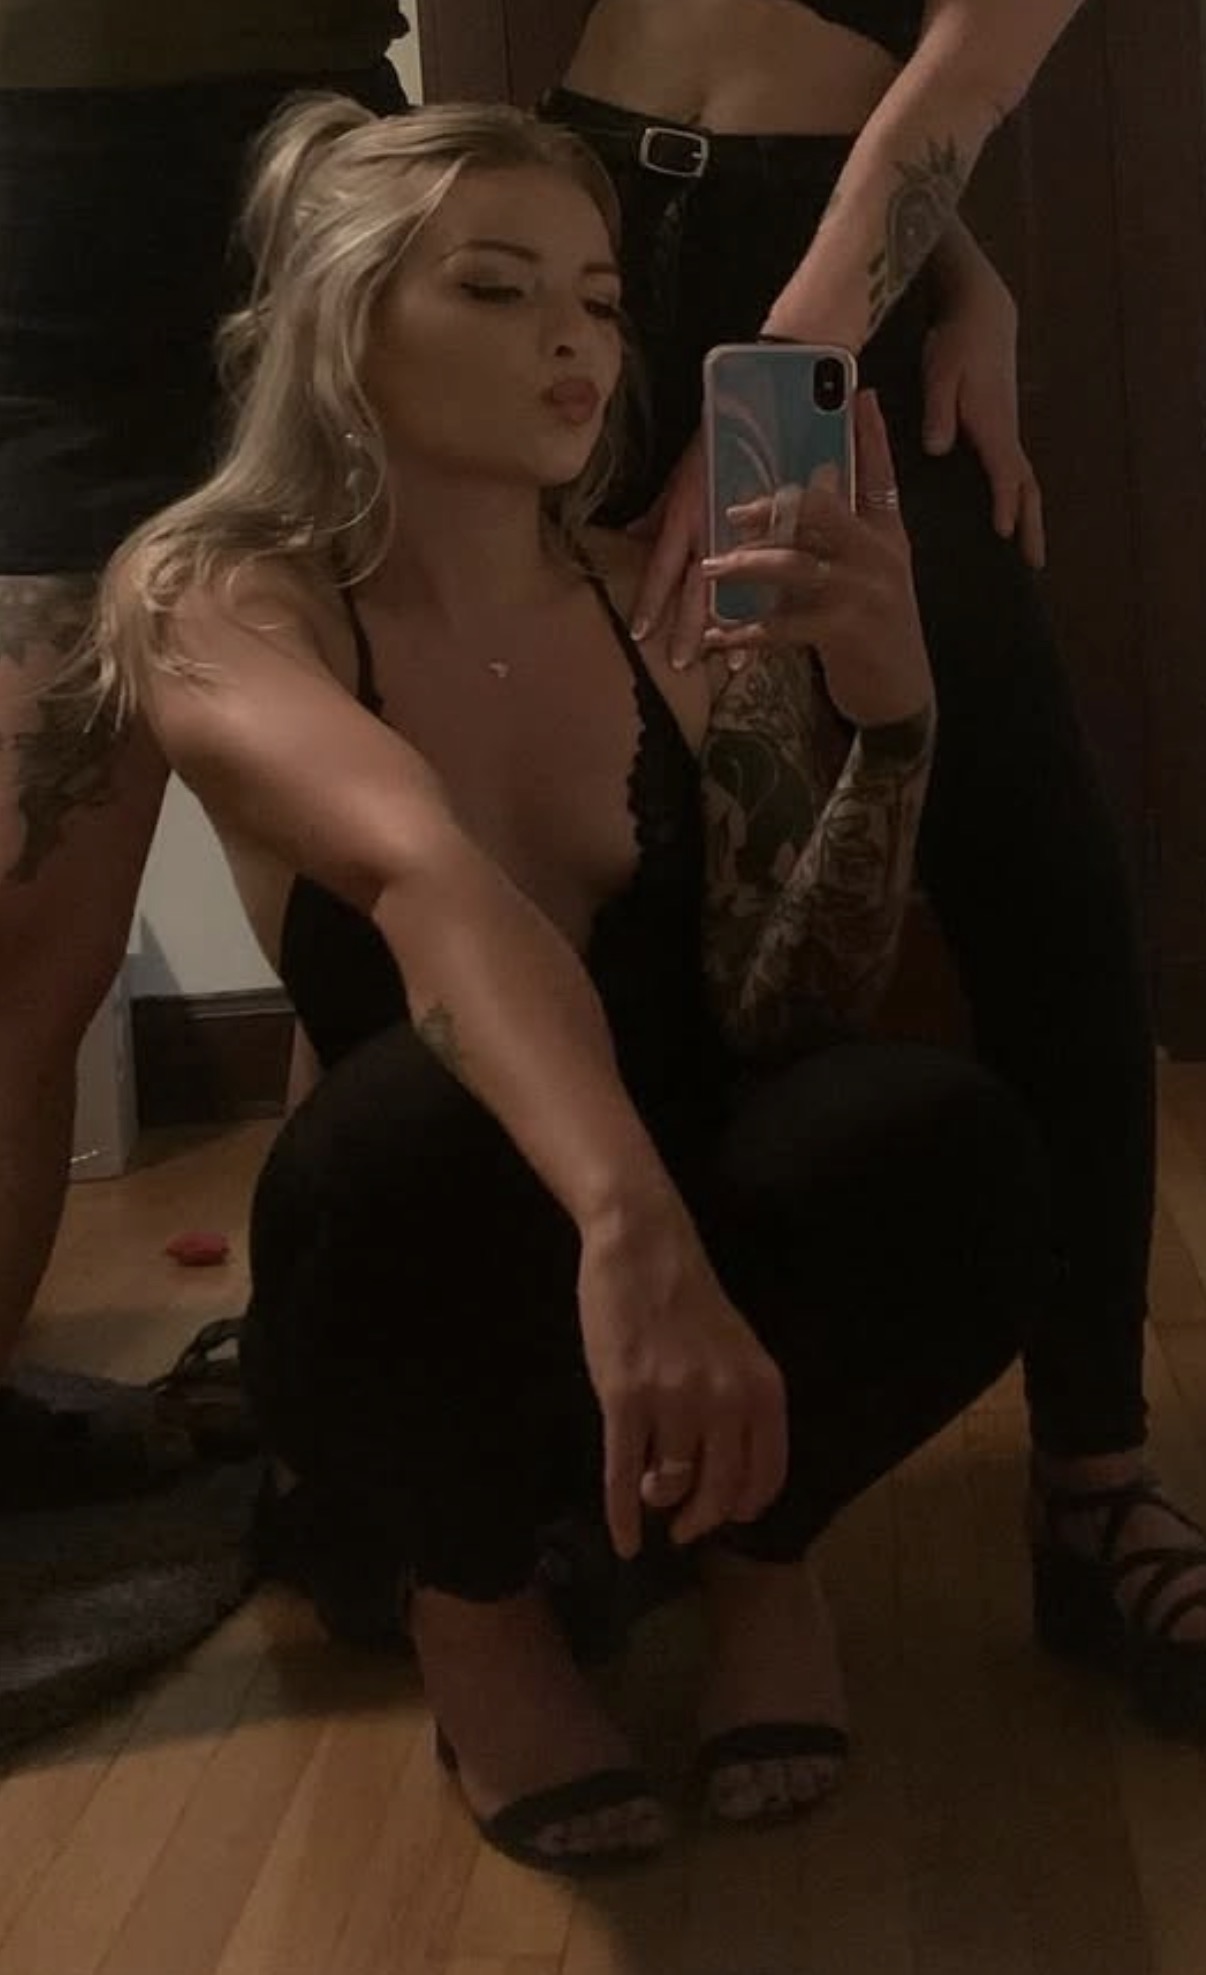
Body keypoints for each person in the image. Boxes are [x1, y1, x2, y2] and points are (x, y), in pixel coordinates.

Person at [89, 96, 1049, 1871]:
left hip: (680, 1299)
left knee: (943, 1131)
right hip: (424, 1302)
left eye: (601, 302)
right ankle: (475, 1614)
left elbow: (789, 1003)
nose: (576, 345)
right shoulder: (212, 593)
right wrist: (631, 1226)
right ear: (342, 319)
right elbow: (422, 873)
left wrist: (891, 716)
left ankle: (756, 1563)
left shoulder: (666, 595)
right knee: (418, 1111)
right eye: (497, 288)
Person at [535, 0, 1206, 1738]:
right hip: (576, 221)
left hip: (815, 295)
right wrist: (966, 268)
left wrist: (781, 383)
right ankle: (544, 1473)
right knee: (550, 851)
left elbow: (960, 76)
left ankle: (1093, 1480)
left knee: (1041, 884)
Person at [0, 0, 408, 1506]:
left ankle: (351, 1437)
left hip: (315, 179)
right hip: (38, 198)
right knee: (22, 939)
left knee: (379, 912)